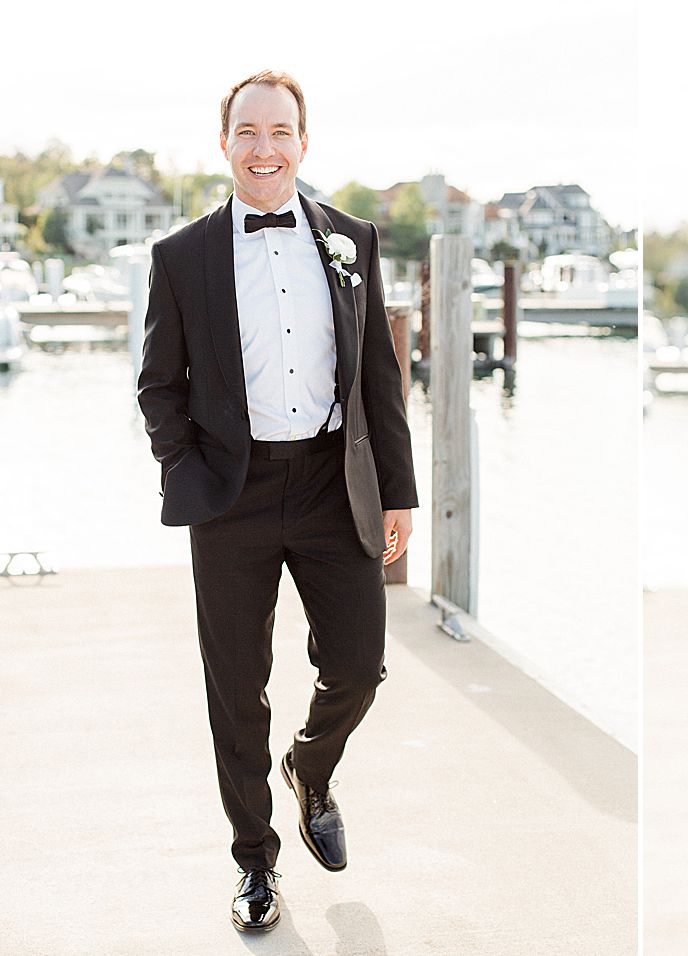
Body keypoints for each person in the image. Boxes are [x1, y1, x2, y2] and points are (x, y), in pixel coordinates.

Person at [137, 70, 417, 933]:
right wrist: (190, 474)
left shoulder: (351, 240)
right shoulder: (180, 257)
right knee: (236, 687)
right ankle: (255, 862)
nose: (265, 148)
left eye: (281, 131)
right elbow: (158, 387)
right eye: (248, 132)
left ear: (304, 141)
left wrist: (398, 492)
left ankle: (312, 766)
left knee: (360, 665)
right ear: (224, 143)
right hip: (232, 496)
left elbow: (379, 378)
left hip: (336, 485)